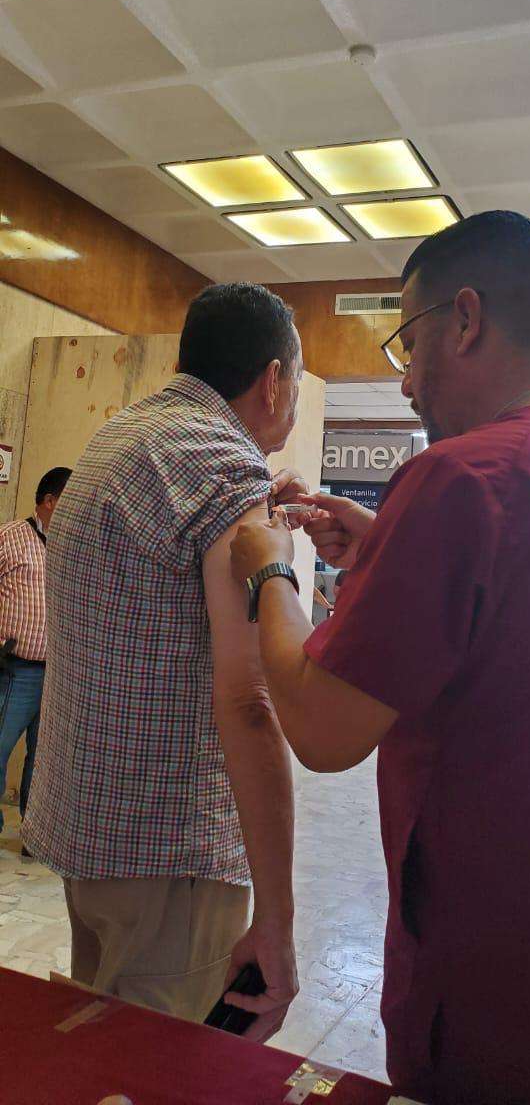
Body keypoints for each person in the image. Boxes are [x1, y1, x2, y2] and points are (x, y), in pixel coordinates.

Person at [229, 212, 530, 1105]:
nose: (403, 381)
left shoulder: (462, 476)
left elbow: (322, 730)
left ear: (463, 319)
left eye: (407, 342)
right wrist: (386, 554)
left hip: (495, 968)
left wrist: (271, 573)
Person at [24, 283, 306, 1040]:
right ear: (272, 380)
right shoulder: (225, 473)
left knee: (104, 1044)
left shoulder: (120, 439)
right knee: (163, 1064)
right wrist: (278, 921)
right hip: (170, 853)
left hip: (92, 828)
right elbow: (249, 702)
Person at [0, 467, 71, 853]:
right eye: (68, 501)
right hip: (16, 670)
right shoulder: (10, 537)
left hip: (59, 673)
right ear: (49, 501)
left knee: (44, 760)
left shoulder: (74, 545)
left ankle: (35, 836)